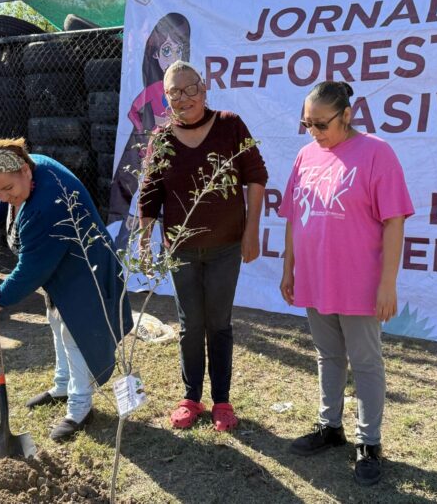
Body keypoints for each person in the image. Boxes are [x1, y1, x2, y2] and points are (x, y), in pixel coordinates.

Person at [278, 81, 414, 486]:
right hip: (316, 277)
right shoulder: (305, 155)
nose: (314, 132)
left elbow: (394, 221)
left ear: (347, 115)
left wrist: (387, 283)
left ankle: (369, 443)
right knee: (327, 355)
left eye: (322, 124)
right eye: (307, 124)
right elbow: (293, 216)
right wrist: (289, 268)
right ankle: (330, 426)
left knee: (366, 362)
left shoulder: (376, 153)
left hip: (359, 281)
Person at [0, 138, 132, 442]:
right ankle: (62, 385)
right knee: (56, 324)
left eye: (7, 189)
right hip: (63, 270)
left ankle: (80, 408)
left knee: (75, 335)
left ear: (24, 170)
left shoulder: (46, 206)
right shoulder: (34, 166)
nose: (4, 196)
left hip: (85, 272)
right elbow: (11, 199)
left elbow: (31, 270)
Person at [139, 60, 268, 432]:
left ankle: (222, 401)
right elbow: (150, 194)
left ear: (204, 88)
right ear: (166, 99)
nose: (185, 98)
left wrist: (251, 231)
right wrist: (145, 243)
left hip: (225, 247)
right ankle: (191, 397)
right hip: (180, 251)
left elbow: (256, 177)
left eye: (190, 88)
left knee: (219, 324)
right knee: (190, 325)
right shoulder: (162, 138)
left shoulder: (230, 125)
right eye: (174, 93)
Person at [109, 13, 191, 247]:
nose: (173, 56)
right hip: (153, 155)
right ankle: (128, 251)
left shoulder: (187, 88)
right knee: (142, 201)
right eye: (166, 50)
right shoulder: (154, 89)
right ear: (155, 54)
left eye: (178, 50)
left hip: (176, 155)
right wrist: (143, 133)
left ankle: (166, 253)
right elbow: (134, 111)